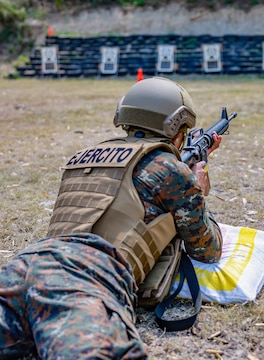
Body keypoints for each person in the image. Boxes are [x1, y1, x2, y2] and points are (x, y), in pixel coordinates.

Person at [0, 77, 223, 359]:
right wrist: (197, 191)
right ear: (176, 128)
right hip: (87, 276)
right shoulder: (170, 169)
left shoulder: (84, 157)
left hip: (25, 264)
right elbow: (208, 248)